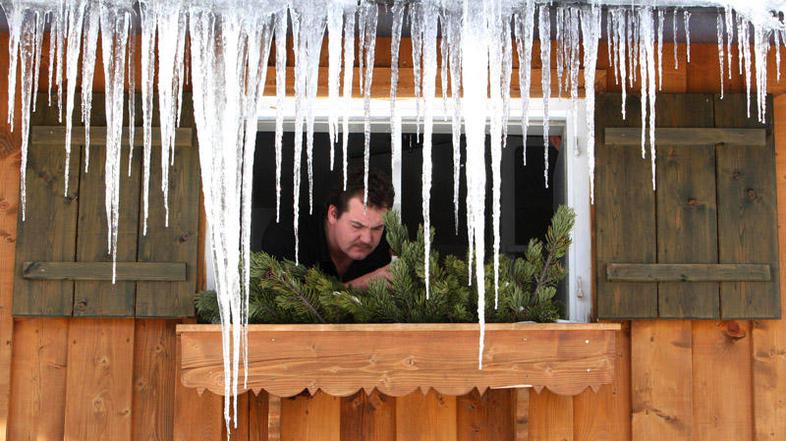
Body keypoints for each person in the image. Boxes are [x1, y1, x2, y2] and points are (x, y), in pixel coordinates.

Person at [261, 168, 394, 289]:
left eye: (377, 228)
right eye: (357, 226)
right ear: (333, 214)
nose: (367, 239)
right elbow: (287, 308)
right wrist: (363, 285)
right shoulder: (286, 235)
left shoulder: (385, 241)